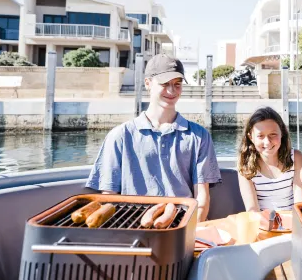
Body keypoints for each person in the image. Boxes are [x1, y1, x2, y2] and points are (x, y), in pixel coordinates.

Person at [86, 54, 221, 222]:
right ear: (148, 83)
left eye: (177, 84)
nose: (172, 91)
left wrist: (192, 232)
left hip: (183, 223)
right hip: (131, 223)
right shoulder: (119, 136)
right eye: (165, 84)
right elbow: (109, 196)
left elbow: (202, 196)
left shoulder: (199, 136)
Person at [237, 107, 302, 211]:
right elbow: (252, 210)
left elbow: (300, 204)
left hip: (292, 221)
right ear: (251, 137)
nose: (267, 142)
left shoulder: (296, 157)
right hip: (261, 224)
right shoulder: (245, 164)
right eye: (260, 136)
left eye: (273, 134)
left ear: (282, 133)